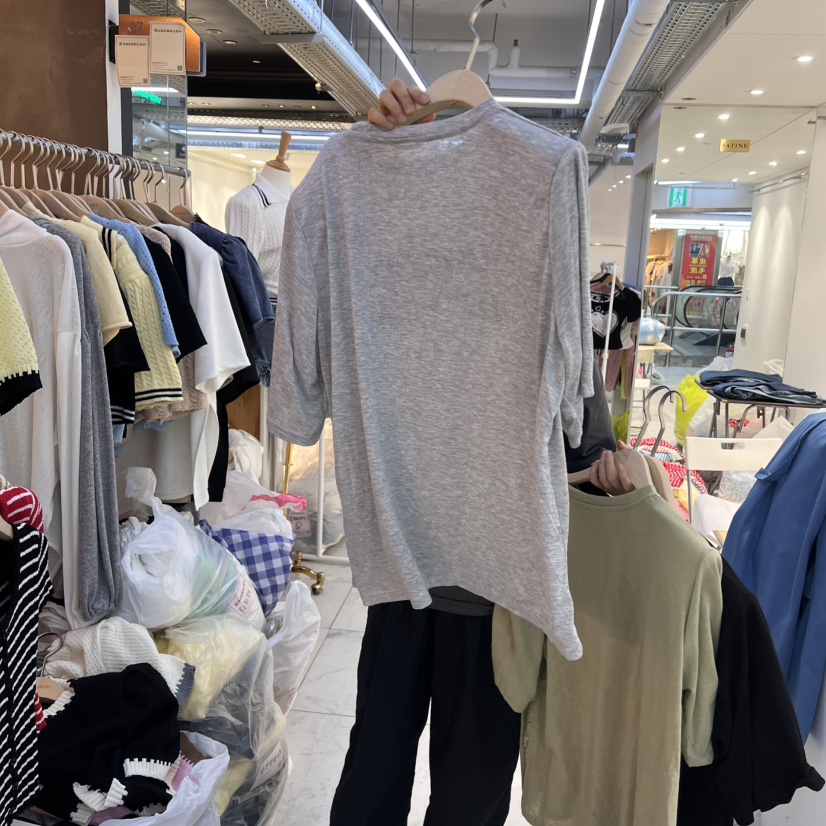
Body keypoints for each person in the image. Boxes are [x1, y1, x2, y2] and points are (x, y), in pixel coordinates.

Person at [329, 81, 627, 826]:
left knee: (453, 782)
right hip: (409, 561)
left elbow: (569, 364)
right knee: (390, 770)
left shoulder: (545, 168)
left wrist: (601, 453)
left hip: (495, 575)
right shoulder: (353, 172)